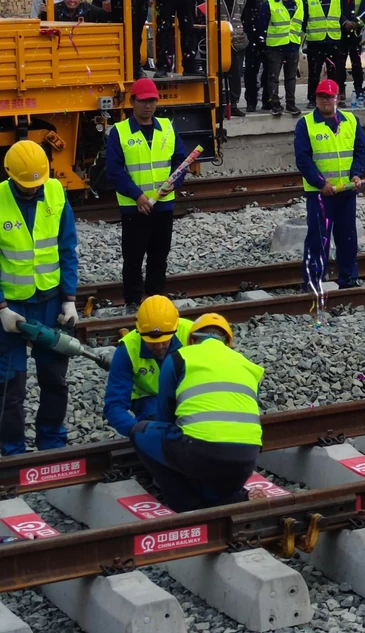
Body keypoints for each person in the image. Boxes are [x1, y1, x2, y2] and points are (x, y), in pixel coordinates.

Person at [131, 312, 263, 513]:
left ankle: (186, 504)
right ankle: (226, 499)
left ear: (192, 340)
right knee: (210, 470)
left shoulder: (180, 358)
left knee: (141, 432)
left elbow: (165, 417)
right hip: (246, 460)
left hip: (200, 454)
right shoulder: (249, 366)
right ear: (228, 343)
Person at [0, 140, 79, 455]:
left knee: (54, 378)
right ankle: (12, 449)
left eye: (37, 183)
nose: (33, 188)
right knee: (10, 385)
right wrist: (1, 307)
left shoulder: (56, 193)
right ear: (11, 176)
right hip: (12, 306)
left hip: (50, 302)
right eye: (26, 184)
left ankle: (52, 442)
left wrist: (69, 298)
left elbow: (67, 248)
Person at [105, 77, 191, 309]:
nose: (148, 106)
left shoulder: (167, 128)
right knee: (133, 257)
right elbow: (114, 170)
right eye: (143, 101)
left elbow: (180, 161)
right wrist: (137, 196)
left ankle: (155, 299)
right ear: (132, 101)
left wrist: (175, 182)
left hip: (163, 204)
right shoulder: (120, 132)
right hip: (134, 207)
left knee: (159, 256)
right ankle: (132, 300)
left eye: (152, 101)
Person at [295, 78, 365, 292]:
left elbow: (361, 151)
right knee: (318, 239)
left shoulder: (351, 121)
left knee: (347, 237)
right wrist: (320, 183)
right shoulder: (306, 124)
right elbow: (303, 159)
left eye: (329, 96)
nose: (325, 100)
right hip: (319, 194)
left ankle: (348, 279)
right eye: (321, 96)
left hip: (346, 192)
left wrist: (356, 175)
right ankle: (313, 282)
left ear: (338, 98)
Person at [103, 296, 193, 437]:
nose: (159, 346)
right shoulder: (127, 349)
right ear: (139, 331)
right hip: (149, 399)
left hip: (189, 394)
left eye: (164, 340)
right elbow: (114, 404)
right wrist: (136, 430)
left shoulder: (191, 334)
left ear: (175, 329)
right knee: (157, 430)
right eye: (152, 342)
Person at [259, 0, 306, 118]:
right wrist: (263, 41)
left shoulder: (298, 2)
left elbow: (301, 22)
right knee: (273, 77)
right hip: (275, 45)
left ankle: (291, 103)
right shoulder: (270, 3)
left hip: (292, 44)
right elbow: (262, 24)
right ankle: (275, 104)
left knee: (291, 77)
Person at [304, 0, 342, 105]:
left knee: (334, 72)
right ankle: (312, 98)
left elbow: (341, 15)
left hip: (333, 39)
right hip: (316, 41)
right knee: (314, 72)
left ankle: (334, 97)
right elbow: (304, 19)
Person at [242, 0, 273, 113]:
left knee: (269, 70)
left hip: (268, 34)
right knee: (251, 70)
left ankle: (268, 100)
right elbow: (244, 0)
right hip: (251, 35)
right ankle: (251, 101)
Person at [217, 0, 247, 116]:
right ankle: (220, 104)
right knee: (219, 74)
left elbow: (247, 17)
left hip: (237, 42)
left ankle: (233, 104)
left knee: (235, 74)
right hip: (218, 42)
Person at [336, 0, 364, 108]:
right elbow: (335, 9)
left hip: (356, 32)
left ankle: (359, 90)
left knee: (356, 63)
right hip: (341, 32)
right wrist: (344, 22)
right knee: (339, 63)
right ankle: (341, 91)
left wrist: (357, 23)